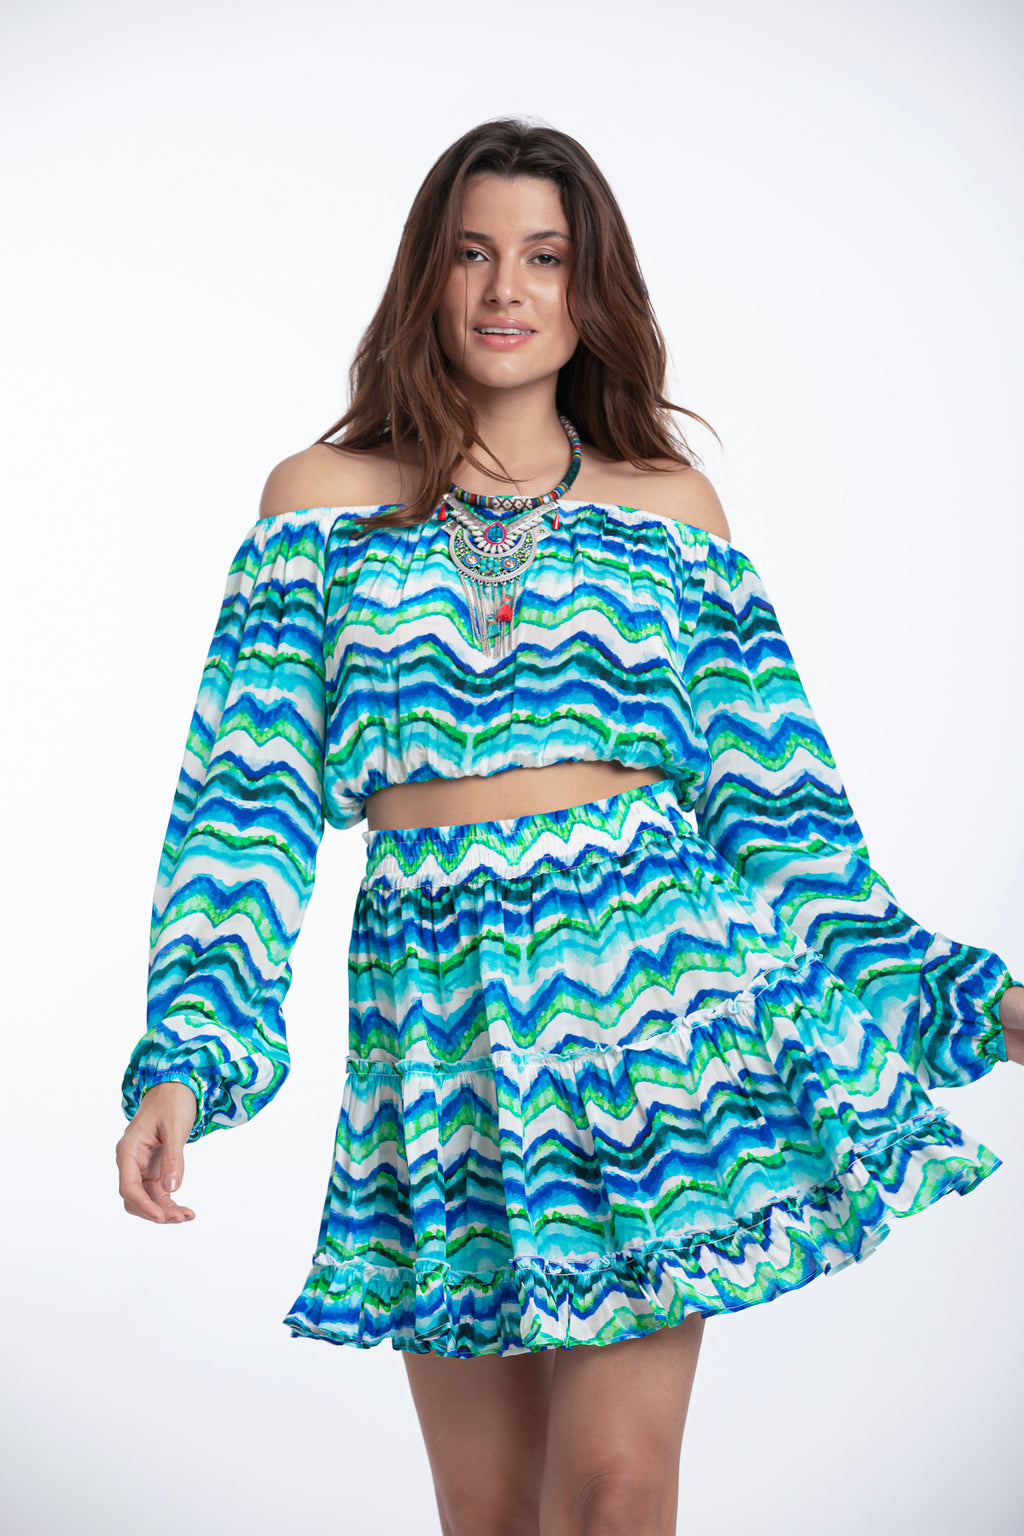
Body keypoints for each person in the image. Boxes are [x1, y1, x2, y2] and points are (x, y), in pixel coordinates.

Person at [115, 118, 1024, 1536]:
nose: (506, 289)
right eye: (472, 254)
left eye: (545, 258)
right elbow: (243, 811)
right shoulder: (316, 508)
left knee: (611, 1492)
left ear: (591, 291)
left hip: (654, 1013)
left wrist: (971, 1001)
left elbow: (783, 826)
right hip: (437, 1022)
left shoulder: (673, 516)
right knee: (488, 1512)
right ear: (426, 278)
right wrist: (187, 1055)